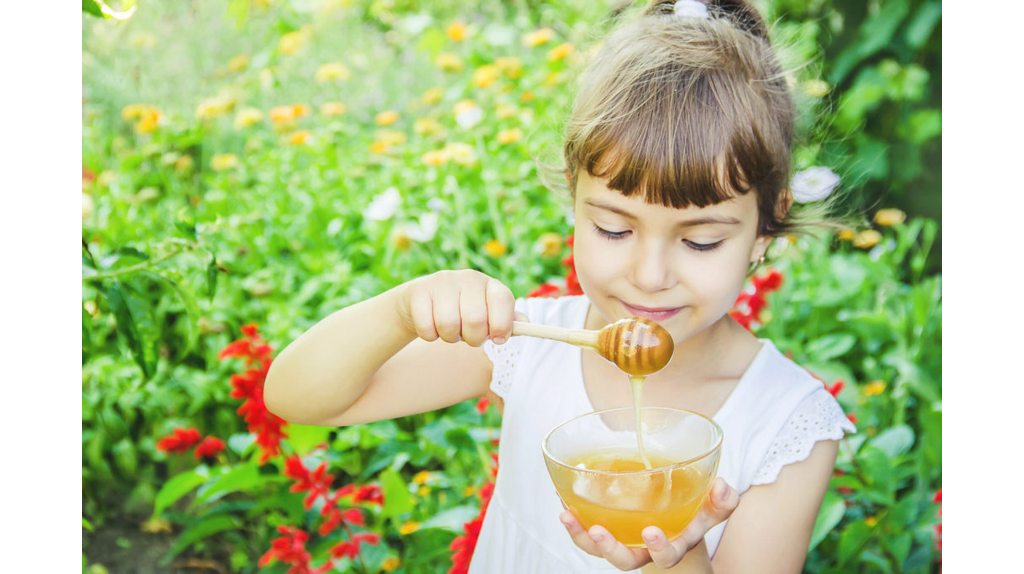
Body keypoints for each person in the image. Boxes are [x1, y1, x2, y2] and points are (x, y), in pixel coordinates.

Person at [264, 0, 855, 571]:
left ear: (765, 227)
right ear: (574, 194)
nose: (650, 276)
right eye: (613, 228)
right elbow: (298, 398)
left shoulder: (786, 424)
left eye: (700, 241)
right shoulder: (532, 344)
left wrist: (676, 557)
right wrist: (400, 310)